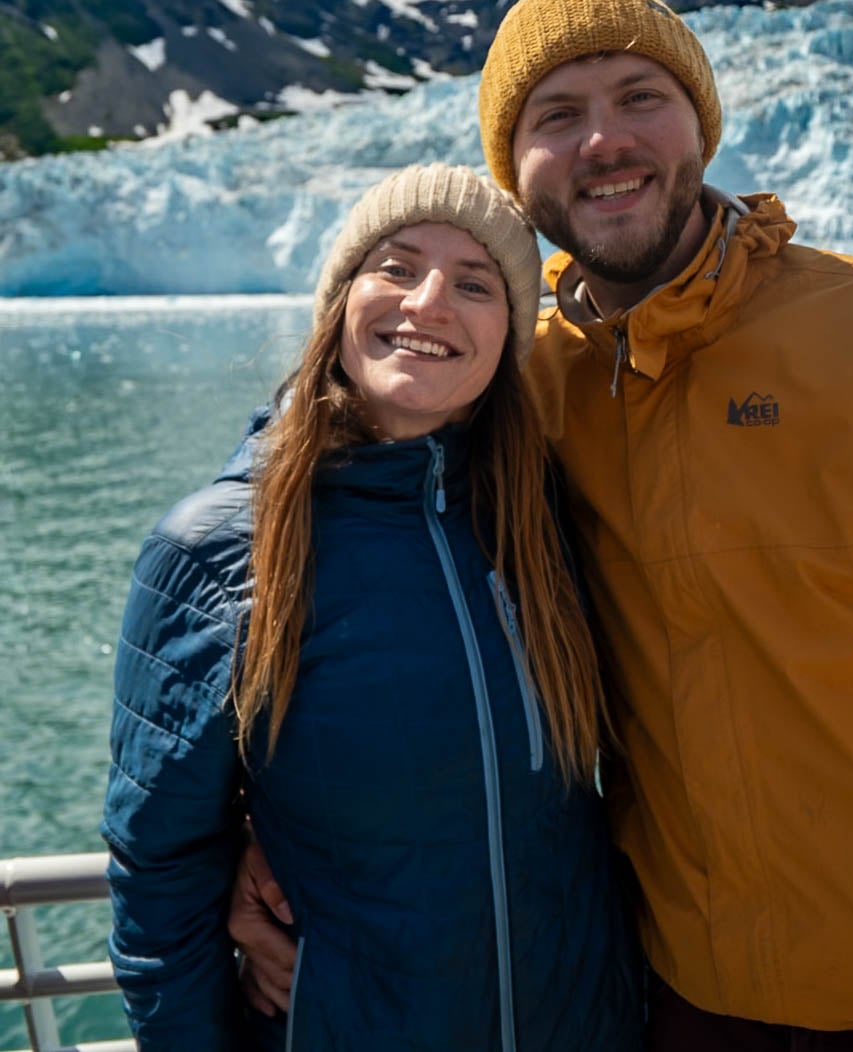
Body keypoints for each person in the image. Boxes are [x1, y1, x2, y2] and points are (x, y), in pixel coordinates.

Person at [233, 0, 853, 1051]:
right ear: (514, 171)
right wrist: (265, 821)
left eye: (639, 97)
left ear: (699, 123)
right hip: (674, 1001)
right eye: (556, 116)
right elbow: (372, 547)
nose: (603, 140)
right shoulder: (528, 382)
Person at [101, 162, 643, 1052]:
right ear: (340, 301)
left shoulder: (538, 519)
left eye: (475, 284)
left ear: (510, 333)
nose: (429, 303)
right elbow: (159, 872)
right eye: (395, 267)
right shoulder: (217, 548)